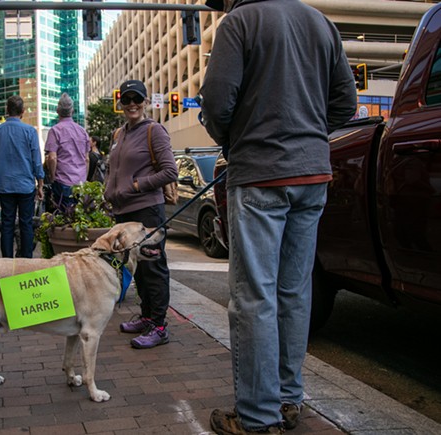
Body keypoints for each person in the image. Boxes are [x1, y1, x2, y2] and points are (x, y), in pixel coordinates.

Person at [198, 0, 357, 433]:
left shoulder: (241, 21)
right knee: (293, 292)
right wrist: (306, 130)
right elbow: (346, 101)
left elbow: (216, 102)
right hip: (312, 174)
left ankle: (257, 416)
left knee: (255, 297)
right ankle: (289, 399)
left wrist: (235, 137)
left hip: (261, 175)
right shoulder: (320, 23)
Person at [104, 79, 178, 349]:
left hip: (147, 209)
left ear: (146, 102)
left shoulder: (154, 131)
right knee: (138, 269)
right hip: (123, 211)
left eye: (137, 99)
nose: (132, 104)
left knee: (154, 268)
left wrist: (136, 185)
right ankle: (147, 317)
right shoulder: (119, 134)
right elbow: (114, 170)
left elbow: (170, 171)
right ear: (120, 103)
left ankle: (159, 326)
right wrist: (108, 192)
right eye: (126, 100)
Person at [0, 95, 44, 258]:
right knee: (26, 223)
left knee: (7, 223)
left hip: (5, 185)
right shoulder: (29, 131)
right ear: (23, 111)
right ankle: (26, 259)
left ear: (7, 110)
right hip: (25, 185)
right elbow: (36, 160)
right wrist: (40, 184)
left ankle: (7, 259)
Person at [44, 93, 90, 211]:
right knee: (80, 218)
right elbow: (87, 159)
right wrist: (84, 179)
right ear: (72, 111)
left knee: (64, 220)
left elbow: (52, 158)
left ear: (57, 111)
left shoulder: (55, 131)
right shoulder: (82, 131)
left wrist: (53, 177)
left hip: (63, 182)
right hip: (80, 183)